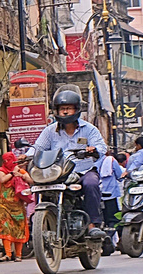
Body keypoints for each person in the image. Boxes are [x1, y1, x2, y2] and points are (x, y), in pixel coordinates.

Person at [29, 89, 109, 238]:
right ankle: (42, 225)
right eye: (62, 108)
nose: (65, 112)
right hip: (58, 172)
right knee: (39, 186)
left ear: (77, 109)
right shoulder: (49, 131)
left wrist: (93, 149)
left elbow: (101, 147)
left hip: (83, 171)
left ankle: (92, 225)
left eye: (68, 108)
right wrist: (25, 157)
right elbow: (38, 148)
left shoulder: (89, 129)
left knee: (91, 184)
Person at [0, 150, 31, 262]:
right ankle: (8, 254)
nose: (7, 162)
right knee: (5, 228)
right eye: (5, 160)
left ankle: (18, 255)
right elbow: (2, 179)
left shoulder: (21, 171)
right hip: (4, 205)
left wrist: (21, 175)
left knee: (18, 228)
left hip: (18, 206)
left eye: (9, 160)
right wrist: (12, 173)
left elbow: (31, 180)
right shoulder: (1, 171)